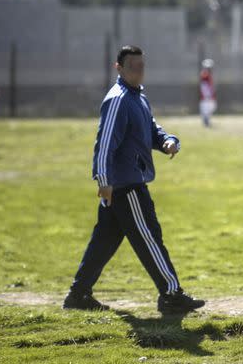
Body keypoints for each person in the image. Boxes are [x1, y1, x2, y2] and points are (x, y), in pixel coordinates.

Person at [63, 45, 205, 314]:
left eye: (142, 66)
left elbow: (151, 129)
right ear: (118, 68)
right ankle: (171, 295)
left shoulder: (137, 97)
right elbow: (104, 144)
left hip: (123, 183)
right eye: (132, 67)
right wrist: (103, 180)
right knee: (150, 237)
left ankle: (78, 295)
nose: (139, 71)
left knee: (103, 241)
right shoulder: (118, 99)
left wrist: (167, 141)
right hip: (124, 186)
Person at [199, 59, 217, 127]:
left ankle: (206, 120)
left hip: (209, 95)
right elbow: (204, 86)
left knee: (212, 107)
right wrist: (207, 94)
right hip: (206, 96)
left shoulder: (208, 75)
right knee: (206, 108)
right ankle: (206, 121)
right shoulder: (204, 74)